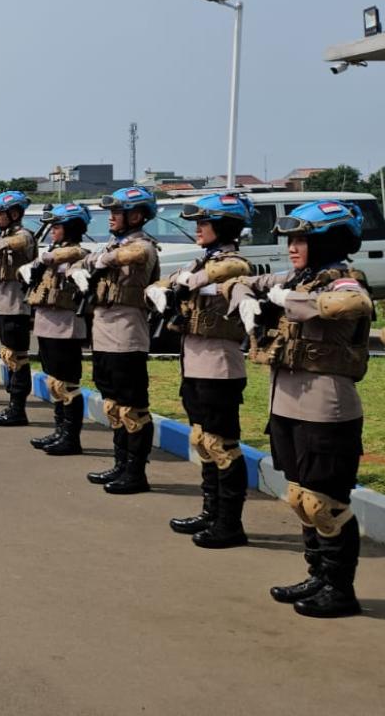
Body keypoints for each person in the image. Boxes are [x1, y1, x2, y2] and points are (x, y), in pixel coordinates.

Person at [230, 200, 373, 618]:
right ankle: (318, 576)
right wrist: (246, 300)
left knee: (324, 502)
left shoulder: (345, 281)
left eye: (302, 239)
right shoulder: (298, 277)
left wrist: (285, 300)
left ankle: (340, 590)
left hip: (325, 406)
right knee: (299, 496)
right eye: (291, 240)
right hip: (287, 402)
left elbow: (352, 306)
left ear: (328, 242)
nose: (292, 247)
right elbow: (239, 281)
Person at [146, 192, 254, 546]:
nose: (198, 229)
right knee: (202, 441)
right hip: (194, 362)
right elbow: (168, 281)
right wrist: (162, 290)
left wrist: (182, 284)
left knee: (222, 445)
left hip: (219, 366)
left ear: (223, 227)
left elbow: (219, 274)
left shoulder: (232, 263)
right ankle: (211, 511)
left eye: (204, 223)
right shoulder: (201, 262)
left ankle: (230, 523)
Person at [71, 186, 160, 492]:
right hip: (104, 333)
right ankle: (120, 464)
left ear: (136, 216)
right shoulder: (112, 245)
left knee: (132, 408)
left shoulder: (142, 246)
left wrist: (102, 261)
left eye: (117, 213)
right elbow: (81, 262)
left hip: (126, 335)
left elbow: (134, 255)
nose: (111, 218)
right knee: (113, 404)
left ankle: (136, 473)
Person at [21, 202, 91, 456]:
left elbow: (64, 261)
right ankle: (60, 430)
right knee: (54, 380)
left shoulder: (77, 253)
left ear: (71, 228)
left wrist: (41, 261)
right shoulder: (55, 251)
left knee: (67, 381)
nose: (53, 231)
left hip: (65, 324)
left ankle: (71, 437)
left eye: (58, 226)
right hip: (47, 321)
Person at [0, 191, 38, 425]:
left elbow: (19, 242)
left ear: (14, 214)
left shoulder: (22, 236)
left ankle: (18, 409)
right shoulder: (2, 235)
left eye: (0, 213)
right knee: (9, 355)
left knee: (18, 357)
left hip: (16, 304)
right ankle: (13, 406)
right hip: (2, 303)